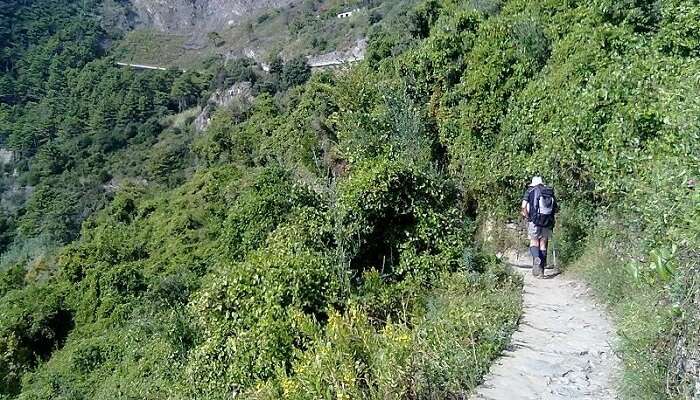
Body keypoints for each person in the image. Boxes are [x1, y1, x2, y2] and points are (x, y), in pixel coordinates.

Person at [521, 176, 558, 277]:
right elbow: (555, 208)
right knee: (543, 244)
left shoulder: (530, 191)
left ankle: (536, 257)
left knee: (534, 241)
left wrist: (528, 217)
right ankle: (541, 271)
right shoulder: (549, 191)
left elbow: (523, 207)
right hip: (547, 221)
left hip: (534, 221)